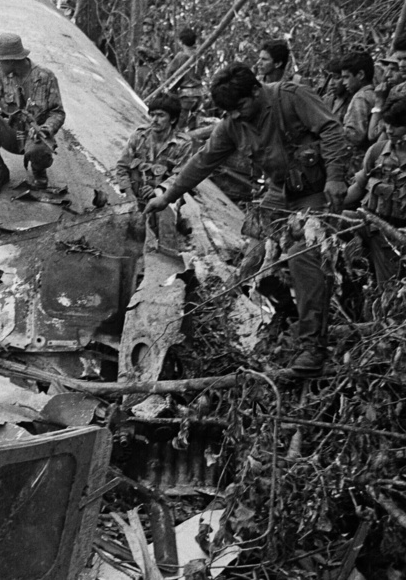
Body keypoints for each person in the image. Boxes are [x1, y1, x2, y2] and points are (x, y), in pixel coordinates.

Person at [144, 63, 349, 375]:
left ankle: (313, 347)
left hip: (317, 190)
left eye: (240, 107)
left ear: (256, 90)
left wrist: (336, 177)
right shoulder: (232, 125)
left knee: (303, 257)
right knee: (252, 264)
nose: (236, 115)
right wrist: (167, 197)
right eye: (230, 111)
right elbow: (203, 162)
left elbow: (332, 130)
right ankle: (284, 319)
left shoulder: (291, 97)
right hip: (281, 193)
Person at [0, 33, 65, 195]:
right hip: (11, 133)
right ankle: (0, 171)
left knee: (39, 150)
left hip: (35, 137)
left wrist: (46, 129)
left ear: (12, 60)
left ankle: (39, 171)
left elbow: (58, 113)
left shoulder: (46, 77)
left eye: (0, 60)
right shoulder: (2, 76)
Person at [344, 97, 406, 285]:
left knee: (389, 290)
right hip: (368, 222)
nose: (390, 130)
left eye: (397, 126)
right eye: (388, 124)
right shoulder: (377, 151)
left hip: (396, 236)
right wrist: (329, 205)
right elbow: (357, 188)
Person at [115, 94, 193, 208]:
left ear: (173, 119)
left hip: (164, 197)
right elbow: (122, 166)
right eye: (152, 115)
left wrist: (159, 191)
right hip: (134, 193)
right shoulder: (139, 136)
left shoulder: (183, 144)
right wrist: (129, 194)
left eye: (160, 116)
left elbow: (181, 176)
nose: (154, 120)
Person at [340, 50, 379, 169]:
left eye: (347, 77)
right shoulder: (375, 94)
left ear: (360, 75)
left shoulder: (361, 97)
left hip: (359, 161)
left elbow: (355, 135)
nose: (344, 82)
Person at [164, 26, 208, 126]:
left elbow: (170, 74)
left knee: (179, 125)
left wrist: (171, 90)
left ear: (181, 42)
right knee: (193, 124)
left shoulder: (181, 56)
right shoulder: (200, 56)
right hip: (199, 94)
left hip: (186, 96)